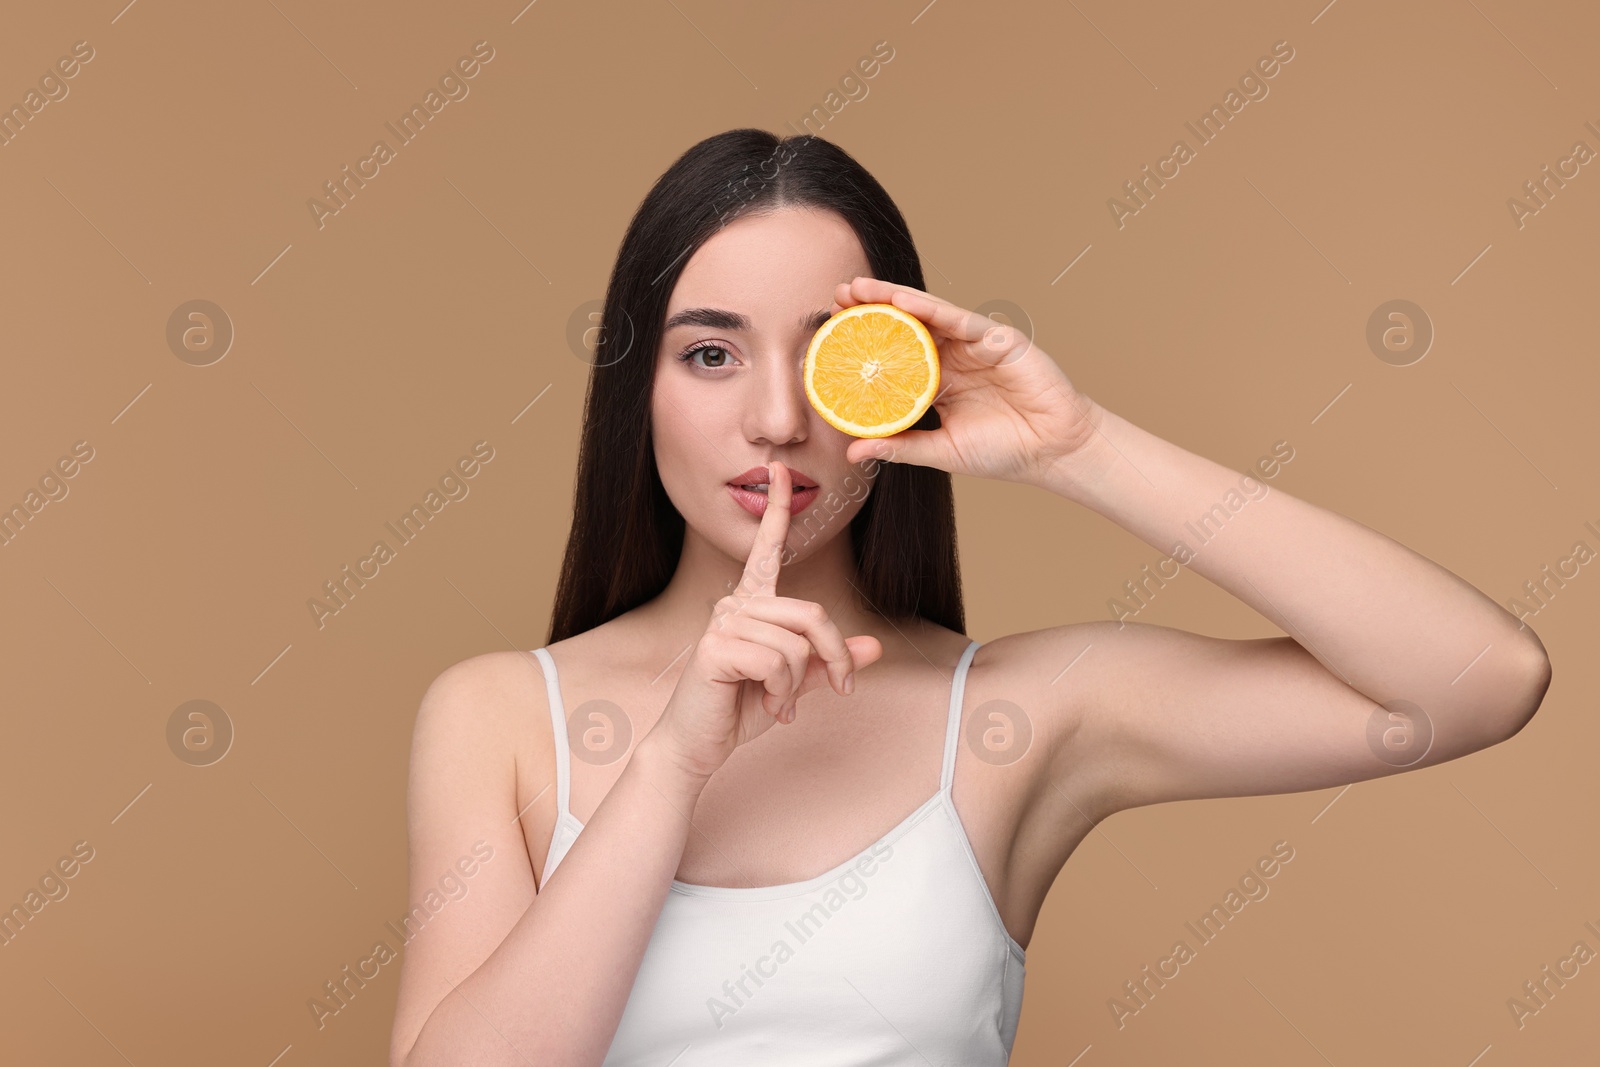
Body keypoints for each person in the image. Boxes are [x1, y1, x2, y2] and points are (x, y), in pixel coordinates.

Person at [388, 130, 1552, 1066]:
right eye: (711, 353)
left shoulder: (1019, 716)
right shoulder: (497, 716)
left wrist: (1078, 447)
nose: (780, 419)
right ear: (633, 391)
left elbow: (1481, 679)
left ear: (898, 381)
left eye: (828, 352)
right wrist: (670, 766)